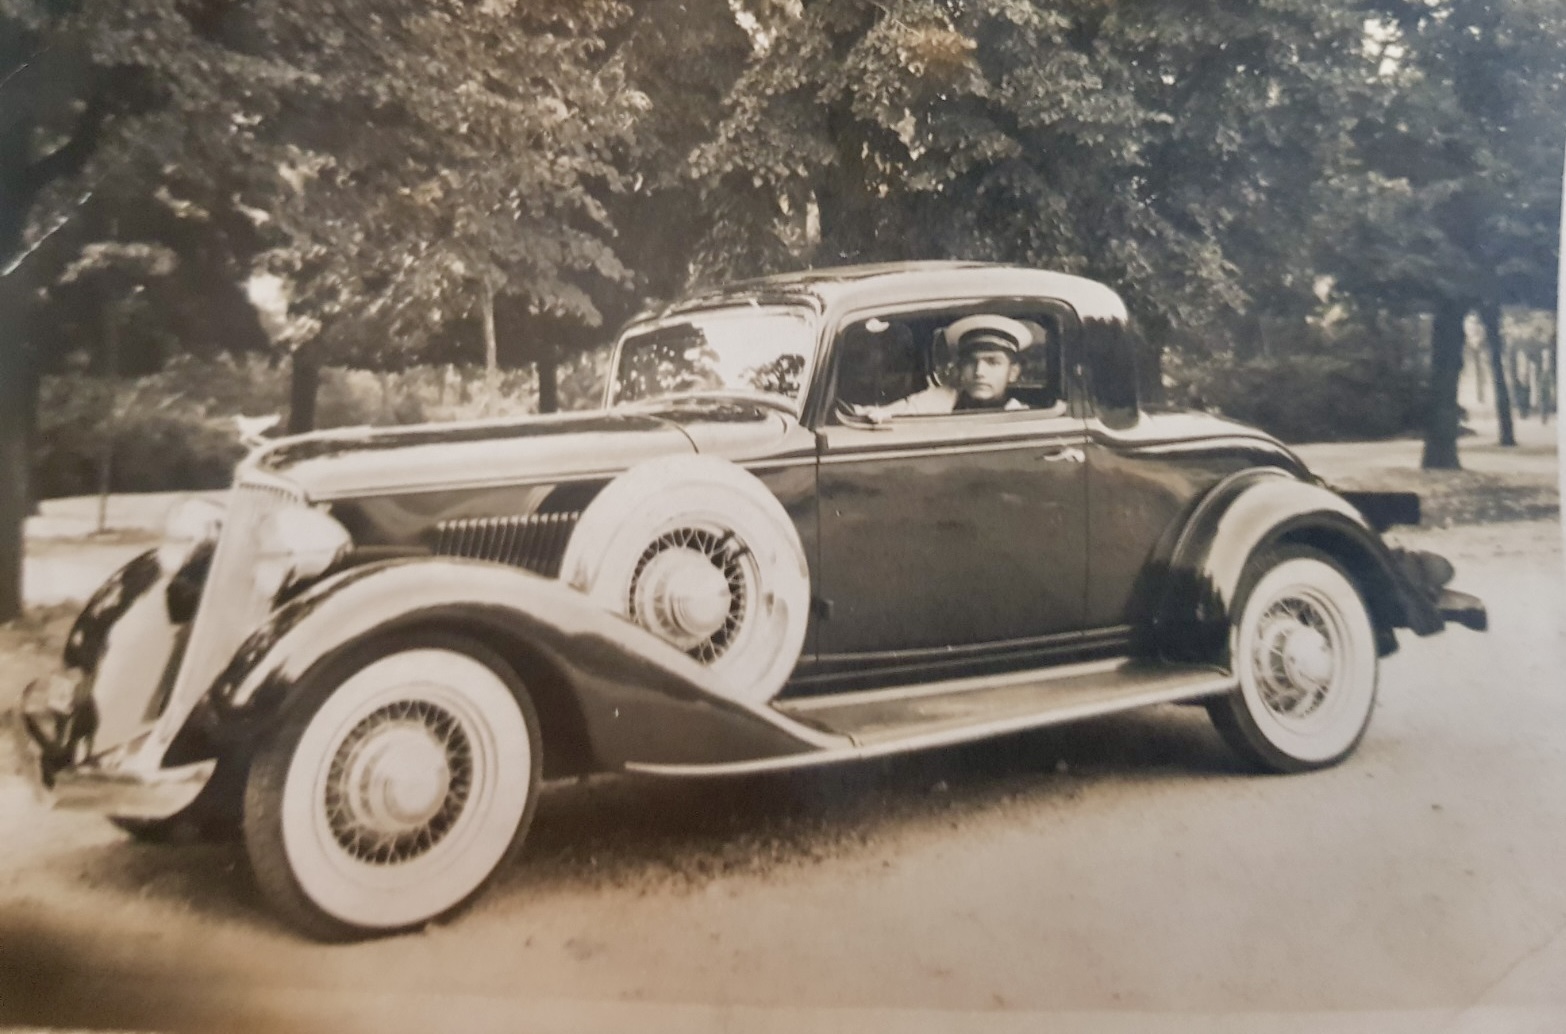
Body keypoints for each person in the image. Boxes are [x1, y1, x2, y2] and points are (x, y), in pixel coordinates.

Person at [854, 314, 1033, 420]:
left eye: (993, 362)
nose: (979, 372)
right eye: (970, 362)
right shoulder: (942, 399)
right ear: (960, 367)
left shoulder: (1021, 418)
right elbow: (888, 413)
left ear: (1013, 372)